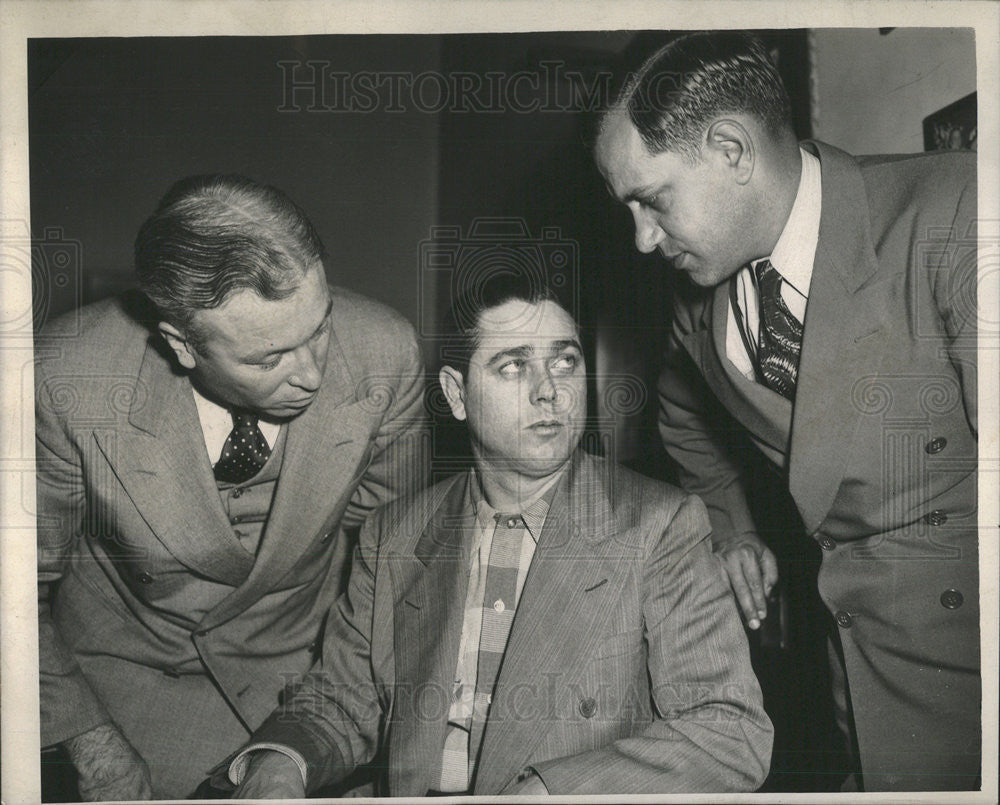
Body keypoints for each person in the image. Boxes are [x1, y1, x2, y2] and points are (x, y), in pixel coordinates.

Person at [594, 31, 979, 792]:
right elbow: (684, 420)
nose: (640, 239)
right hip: (852, 676)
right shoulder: (695, 306)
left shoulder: (955, 212)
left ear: (732, 149)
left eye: (652, 199)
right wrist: (732, 528)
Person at [225, 276, 772, 797]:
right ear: (456, 395)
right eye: (513, 366)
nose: (549, 392)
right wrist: (278, 765)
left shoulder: (659, 526)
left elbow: (729, 732)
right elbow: (343, 698)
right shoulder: (394, 535)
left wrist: (552, 792)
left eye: (564, 360)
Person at [34, 174, 428, 799]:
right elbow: (14, 597)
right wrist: (93, 746)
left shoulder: (387, 353)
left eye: (320, 328)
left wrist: (312, 737)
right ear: (181, 345)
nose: (312, 375)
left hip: (302, 687)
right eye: (268, 360)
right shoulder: (64, 378)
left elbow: (390, 568)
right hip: (115, 693)